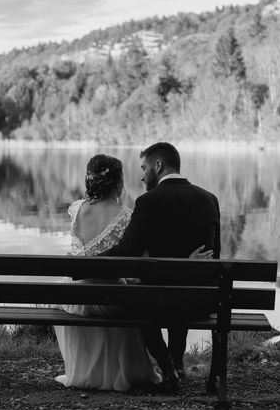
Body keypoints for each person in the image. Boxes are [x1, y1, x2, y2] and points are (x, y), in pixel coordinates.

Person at [53, 154, 210, 391]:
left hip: (77, 298)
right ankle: (151, 367)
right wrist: (185, 262)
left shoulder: (76, 210)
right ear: (118, 182)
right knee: (136, 295)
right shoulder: (127, 215)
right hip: (113, 299)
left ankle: (86, 371)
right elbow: (145, 262)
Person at [100, 142, 221, 391]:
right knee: (181, 289)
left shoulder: (148, 202)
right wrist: (187, 266)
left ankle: (167, 367)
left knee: (142, 298)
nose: (142, 176)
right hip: (201, 302)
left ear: (158, 165)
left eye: (144, 168)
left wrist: (87, 265)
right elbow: (215, 257)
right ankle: (176, 362)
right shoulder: (210, 200)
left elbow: (126, 252)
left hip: (157, 302)